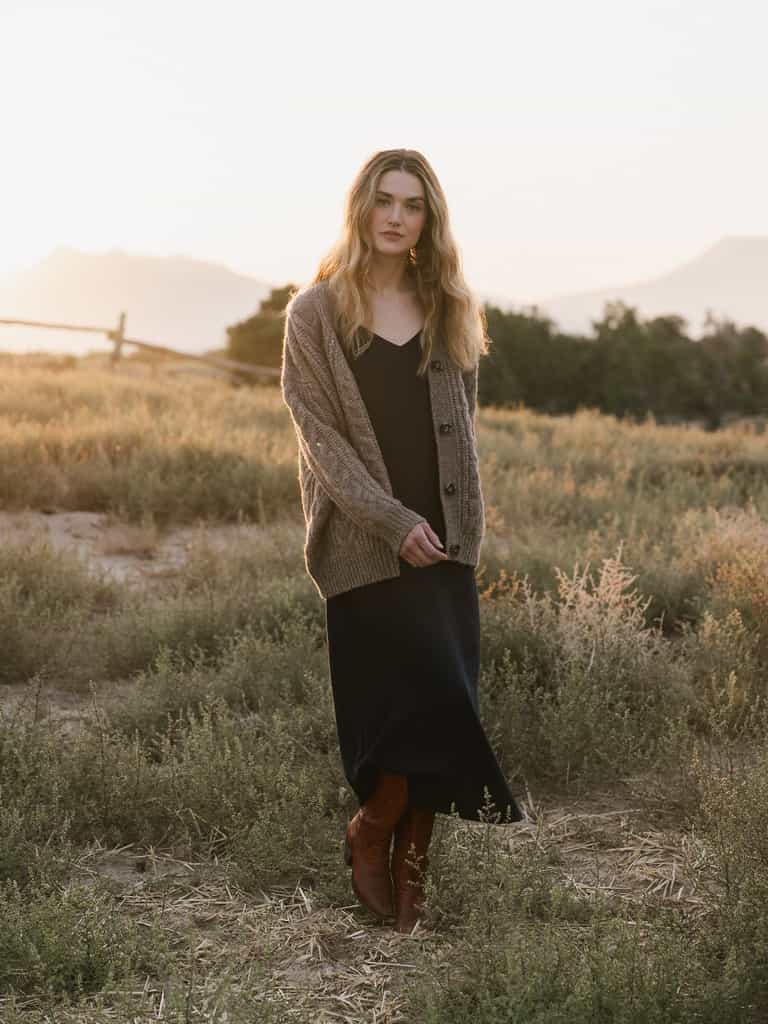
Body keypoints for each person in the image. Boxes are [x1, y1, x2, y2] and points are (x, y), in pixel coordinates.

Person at [280, 148, 524, 934]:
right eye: (383, 200)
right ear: (361, 209)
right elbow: (319, 437)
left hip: (445, 539)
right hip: (364, 538)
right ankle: (374, 825)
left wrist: (456, 528)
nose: (395, 216)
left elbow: (463, 430)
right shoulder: (313, 313)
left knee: (446, 704)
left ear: (429, 219)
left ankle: (411, 859)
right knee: (394, 710)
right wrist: (392, 521)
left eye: (412, 205)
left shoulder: (448, 306)